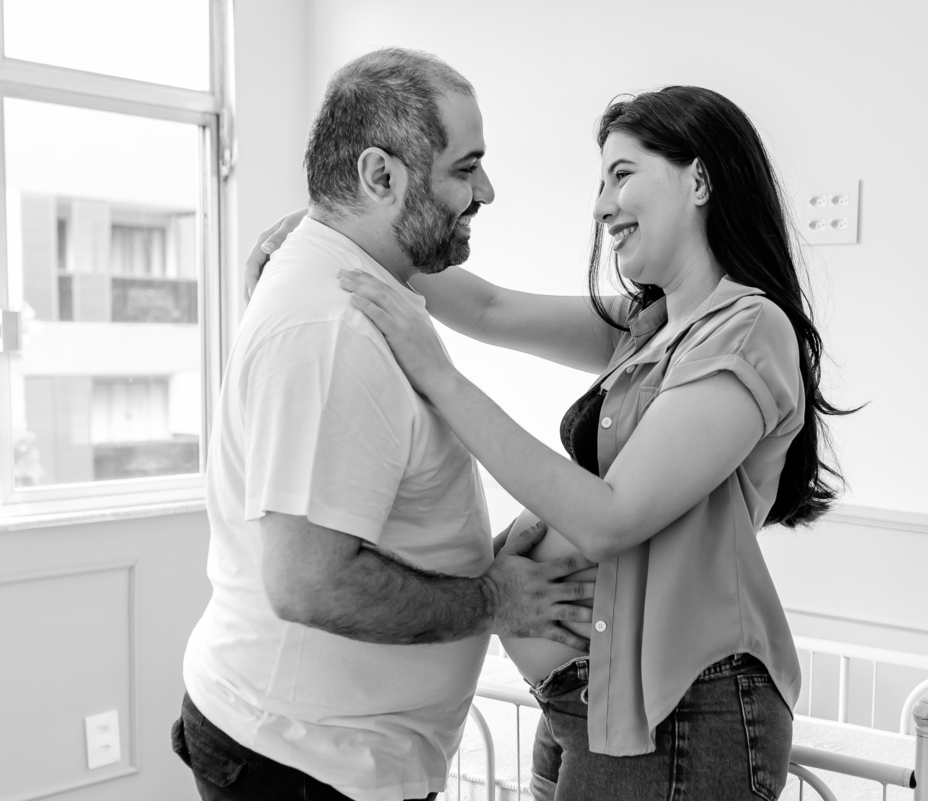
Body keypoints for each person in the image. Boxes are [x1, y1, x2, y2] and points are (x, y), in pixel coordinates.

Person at [251, 84, 852, 800]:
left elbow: (610, 517)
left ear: (699, 178)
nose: (600, 206)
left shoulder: (747, 328)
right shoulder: (650, 325)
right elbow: (489, 305)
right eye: (599, 183)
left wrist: (438, 375)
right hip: (593, 698)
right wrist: (334, 232)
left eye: (622, 174)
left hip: (680, 706)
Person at [174, 48, 596, 801]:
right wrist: (493, 597)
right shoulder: (333, 330)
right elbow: (311, 582)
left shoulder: (367, 286)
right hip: (299, 763)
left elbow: (498, 311)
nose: (487, 190)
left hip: (319, 749)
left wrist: (471, 561)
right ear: (380, 177)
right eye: (467, 168)